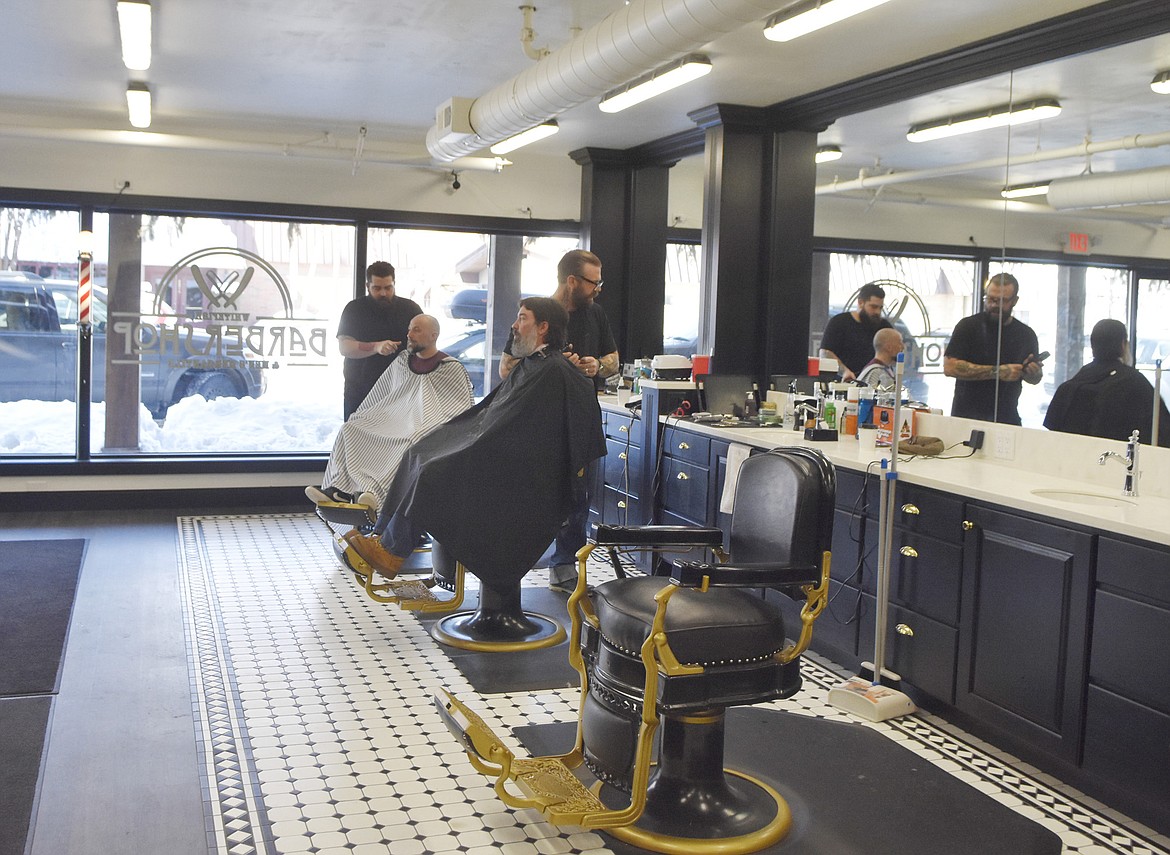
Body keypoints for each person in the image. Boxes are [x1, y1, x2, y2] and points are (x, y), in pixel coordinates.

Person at [343, 296, 607, 589]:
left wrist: (466, 447)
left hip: (517, 474)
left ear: (543, 326)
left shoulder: (556, 370)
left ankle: (392, 551)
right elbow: (495, 416)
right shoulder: (534, 364)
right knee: (416, 452)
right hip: (497, 454)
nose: (514, 325)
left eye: (522, 318)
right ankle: (382, 538)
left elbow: (542, 436)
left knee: (432, 471)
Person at [500, 249, 618, 593]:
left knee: (578, 497)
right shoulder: (535, 314)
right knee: (534, 493)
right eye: (593, 283)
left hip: (580, 416)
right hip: (538, 419)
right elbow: (505, 368)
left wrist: (596, 365)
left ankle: (565, 565)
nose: (598, 289)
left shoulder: (595, 314)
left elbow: (613, 359)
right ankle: (512, 562)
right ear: (572, 281)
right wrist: (549, 363)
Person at [306, 314, 474, 509]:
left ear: (433, 335)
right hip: (394, 419)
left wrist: (426, 420)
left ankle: (375, 495)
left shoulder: (450, 367)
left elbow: (461, 409)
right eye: (410, 329)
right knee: (351, 427)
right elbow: (383, 396)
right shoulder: (403, 361)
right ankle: (339, 491)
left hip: (426, 427)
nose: (409, 334)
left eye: (417, 330)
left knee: (410, 439)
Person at [1044, 319, 1169, 446]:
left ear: (1093, 346)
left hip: (1071, 460)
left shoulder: (1071, 386)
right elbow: (1162, 431)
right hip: (1121, 460)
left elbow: (1053, 433)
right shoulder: (1135, 383)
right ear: (1123, 345)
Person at [944, 273, 1044, 425]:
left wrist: (1033, 372)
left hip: (1007, 418)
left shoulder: (1026, 334)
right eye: (990, 299)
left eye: (1002, 301)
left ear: (1015, 301)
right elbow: (950, 367)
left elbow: (1034, 379)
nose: (994, 305)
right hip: (966, 417)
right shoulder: (968, 327)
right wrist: (999, 372)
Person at [336, 261, 424, 419]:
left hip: (400, 390)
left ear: (394, 284)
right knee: (358, 440)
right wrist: (376, 347)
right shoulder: (354, 309)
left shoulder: (411, 309)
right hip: (361, 390)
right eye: (377, 288)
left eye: (388, 287)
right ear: (367, 285)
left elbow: (425, 344)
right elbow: (344, 347)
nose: (383, 293)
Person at [820, 282, 893, 381]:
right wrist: (844, 371)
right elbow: (825, 353)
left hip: (873, 384)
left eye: (880, 308)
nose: (877, 312)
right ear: (860, 303)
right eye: (873, 307)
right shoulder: (839, 322)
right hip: (842, 384)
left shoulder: (884, 327)